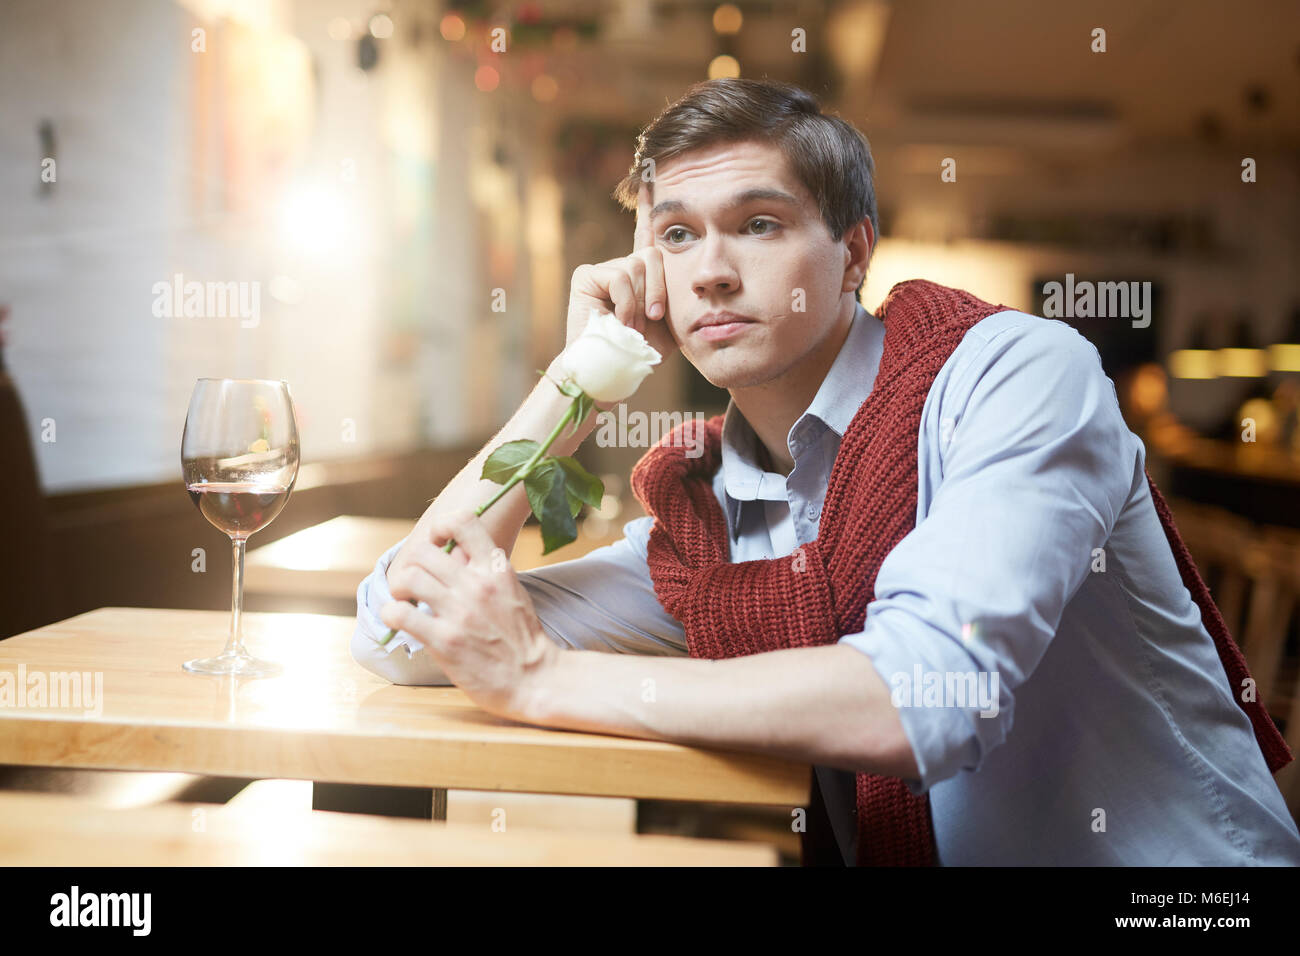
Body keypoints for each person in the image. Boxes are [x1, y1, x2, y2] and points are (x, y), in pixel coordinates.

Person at [351, 78, 1300, 866]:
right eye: (676, 235)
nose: (711, 271)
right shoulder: (709, 523)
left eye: (757, 224)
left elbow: (934, 691)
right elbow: (402, 630)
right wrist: (580, 378)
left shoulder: (1018, 373)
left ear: (853, 255)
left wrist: (540, 678)